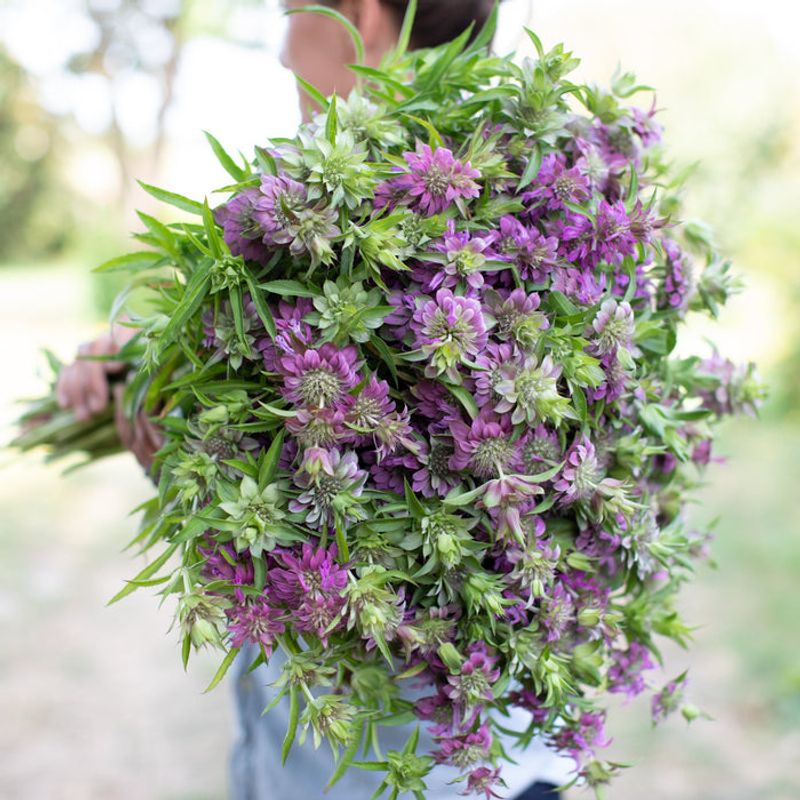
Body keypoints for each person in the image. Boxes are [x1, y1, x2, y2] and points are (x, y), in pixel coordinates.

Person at [57, 1, 574, 796]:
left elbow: (308, 536)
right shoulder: (544, 182)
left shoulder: (350, 217)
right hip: (515, 763)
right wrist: (133, 353)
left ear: (356, 11)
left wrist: (179, 442)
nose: (279, 48)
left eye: (290, 9)